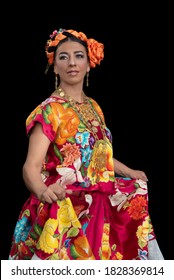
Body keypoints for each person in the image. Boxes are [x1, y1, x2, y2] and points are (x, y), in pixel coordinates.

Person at [9, 28, 164, 260]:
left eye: (79, 56)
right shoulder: (49, 111)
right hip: (67, 207)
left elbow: (96, 157)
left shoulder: (93, 107)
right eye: (63, 57)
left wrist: (129, 172)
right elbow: (30, 167)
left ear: (89, 64)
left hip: (99, 206)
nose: (72, 63)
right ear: (54, 66)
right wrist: (43, 192)